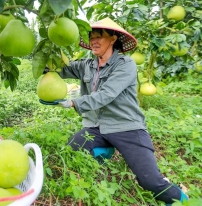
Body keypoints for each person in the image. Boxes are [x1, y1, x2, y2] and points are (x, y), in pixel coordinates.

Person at [40, 17, 188, 205]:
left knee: (149, 180)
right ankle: (106, 149)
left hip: (126, 127)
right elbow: (58, 69)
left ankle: (181, 198)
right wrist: (47, 56)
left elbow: (106, 95)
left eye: (99, 36)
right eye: (91, 37)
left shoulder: (126, 65)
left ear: (112, 39)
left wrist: (72, 103)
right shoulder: (87, 65)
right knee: (72, 150)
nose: (93, 41)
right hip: (96, 126)